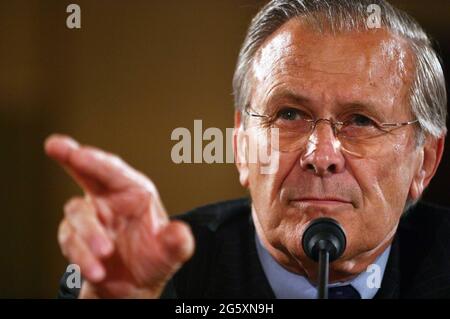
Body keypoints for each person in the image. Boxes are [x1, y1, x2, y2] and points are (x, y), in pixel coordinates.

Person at [47, 0, 448, 299]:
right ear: (240, 145)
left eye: (360, 121)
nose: (321, 155)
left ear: (424, 162)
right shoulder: (162, 275)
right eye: (289, 114)